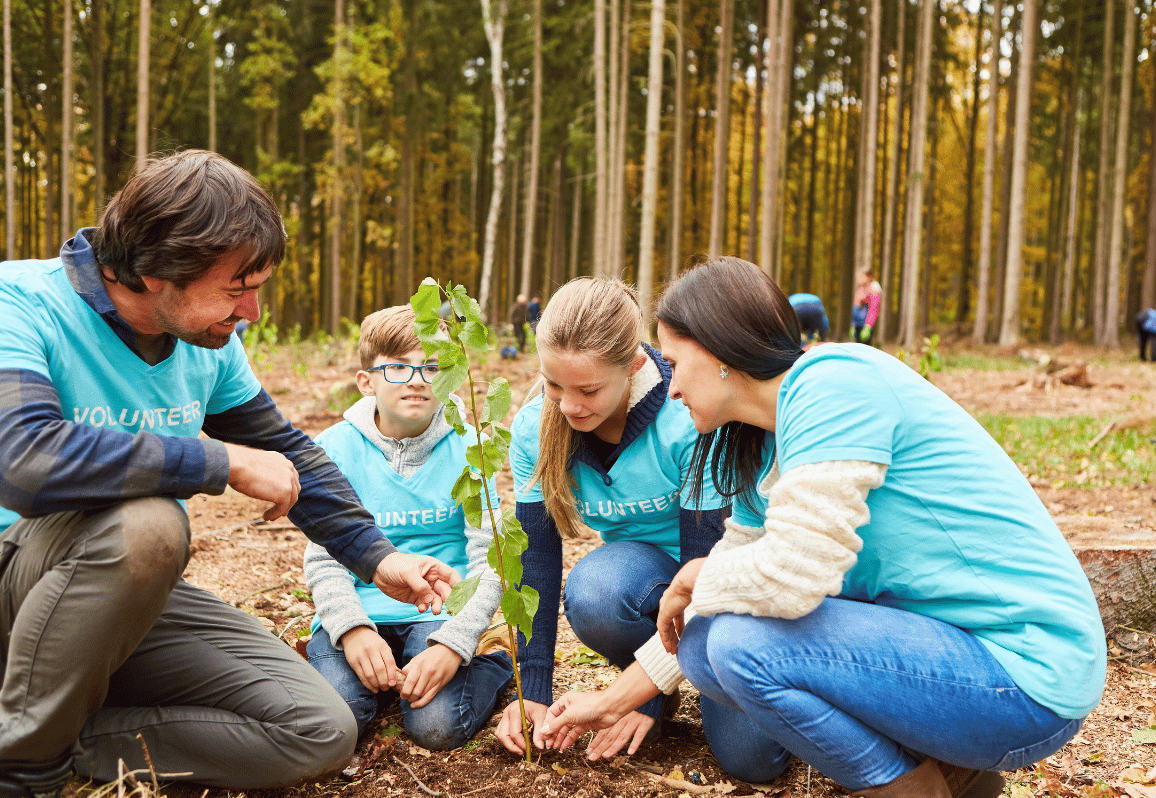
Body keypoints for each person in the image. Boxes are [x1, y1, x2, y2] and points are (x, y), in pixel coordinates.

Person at [540, 258, 1106, 798]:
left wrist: (697, 576)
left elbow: (793, 575)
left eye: (675, 362)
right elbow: (716, 606)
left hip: (1025, 671)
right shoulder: (763, 447)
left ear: (718, 354)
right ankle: (948, 776)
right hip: (955, 661)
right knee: (710, 642)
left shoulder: (833, 384)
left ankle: (910, 789)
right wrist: (612, 701)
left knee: (737, 642)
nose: (673, 387)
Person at [0, 151, 459, 796]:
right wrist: (219, 462)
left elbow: (287, 449)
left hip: (116, 601)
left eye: (257, 288)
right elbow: (25, 461)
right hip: (18, 581)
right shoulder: (18, 302)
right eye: (236, 288)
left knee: (319, 728)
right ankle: (26, 771)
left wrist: (380, 561)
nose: (249, 310)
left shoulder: (204, 343)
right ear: (158, 268)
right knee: (150, 526)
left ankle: (54, 732)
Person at [494, 278, 787, 781]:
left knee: (751, 759)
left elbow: (707, 558)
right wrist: (533, 692)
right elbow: (536, 561)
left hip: (718, 573)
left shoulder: (689, 412)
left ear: (632, 366)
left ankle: (670, 685)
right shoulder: (533, 428)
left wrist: (636, 697)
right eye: (553, 385)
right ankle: (658, 686)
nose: (568, 406)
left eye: (588, 390)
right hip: (638, 582)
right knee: (596, 590)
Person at [303, 306, 512, 749]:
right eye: (397, 367)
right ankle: (374, 678)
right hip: (358, 612)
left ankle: (492, 662)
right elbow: (324, 556)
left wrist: (454, 643)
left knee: (437, 726)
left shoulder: (471, 448)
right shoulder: (334, 450)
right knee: (334, 721)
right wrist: (352, 629)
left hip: (438, 614)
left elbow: (487, 557)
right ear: (366, 381)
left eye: (432, 367)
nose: (417, 379)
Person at [850, 268, 882, 344]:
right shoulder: (859, 291)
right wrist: (853, 324)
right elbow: (855, 309)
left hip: (866, 325)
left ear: (869, 277)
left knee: (866, 348)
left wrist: (868, 326)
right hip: (857, 324)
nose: (859, 279)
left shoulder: (874, 291)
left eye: (861, 276)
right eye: (858, 277)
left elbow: (874, 310)